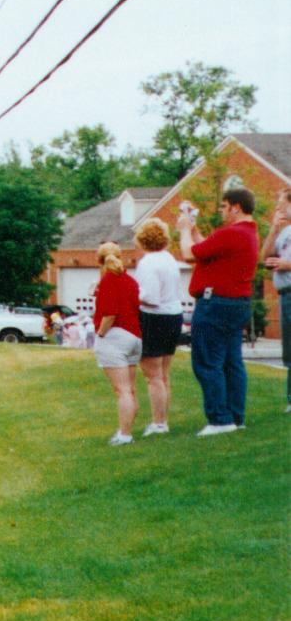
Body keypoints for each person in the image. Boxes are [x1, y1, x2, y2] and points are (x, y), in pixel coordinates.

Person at [176, 187, 259, 436]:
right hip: (237, 303)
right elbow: (207, 249)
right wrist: (194, 230)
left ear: (236, 207)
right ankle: (235, 416)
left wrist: (183, 230)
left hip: (215, 304)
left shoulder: (231, 233)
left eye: (224, 206)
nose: (221, 211)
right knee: (232, 362)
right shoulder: (247, 234)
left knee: (207, 362)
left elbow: (189, 254)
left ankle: (220, 420)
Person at [131, 217, 182, 435]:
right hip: (173, 315)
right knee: (163, 374)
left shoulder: (148, 263)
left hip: (154, 318)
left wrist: (131, 294)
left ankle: (159, 423)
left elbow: (151, 298)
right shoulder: (169, 259)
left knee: (153, 376)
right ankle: (162, 420)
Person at [91, 241, 143, 445]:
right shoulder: (131, 280)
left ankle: (125, 434)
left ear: (99, 261)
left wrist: (101, 334)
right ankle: (125, 430)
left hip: (115, 337)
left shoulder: (108, 281)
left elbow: (110, 314)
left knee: (122, 390)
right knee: (130, 389)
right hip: (134, 336)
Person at [262, 189, 291, 413]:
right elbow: (264, 257)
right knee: (288, 349)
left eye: (282, 204)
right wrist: (273, 229)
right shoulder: (285, 232)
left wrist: (286, 265)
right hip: (284, 294)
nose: (278, 208)